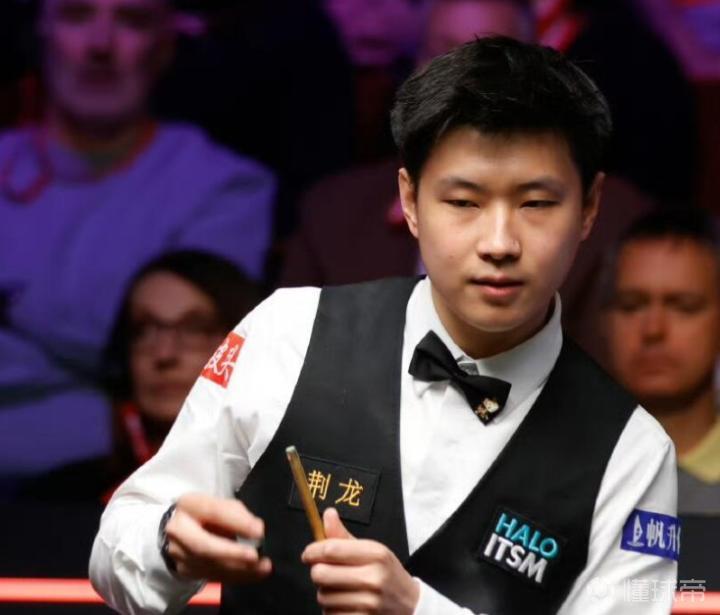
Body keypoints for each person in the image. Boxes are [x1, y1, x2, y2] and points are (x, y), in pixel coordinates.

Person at [90, 37, 677, 614]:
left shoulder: (632, 452)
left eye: (536, 204)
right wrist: (167, 541)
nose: (500, 243)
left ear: (589, 208)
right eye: (464, 202)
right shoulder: (289, 333)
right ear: (411, 202)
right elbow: (116, 547)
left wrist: (417, 610)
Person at [280, 0, 656, 364]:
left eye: (490, 60)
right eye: (443, 56)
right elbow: (288, 363)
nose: (464, 82)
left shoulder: (616, 218)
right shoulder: (334, 210)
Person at [0, 0, 275, 481]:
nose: (100, 45)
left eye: (132, 20)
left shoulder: (223, 188)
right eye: (76, 15)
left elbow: (178, 363)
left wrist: (14, 310)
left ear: (165, 46)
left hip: (116, 479)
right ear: (40, 33)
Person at [21, 250, 260, 502]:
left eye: (196, 328)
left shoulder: (283, 497)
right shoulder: (55, 501)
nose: (164, 354)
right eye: (143, 330)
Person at [605, 210, 720, 514]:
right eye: (631, 305)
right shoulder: (551, 464)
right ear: (604, 321)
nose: (653, 329)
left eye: (684, 307)